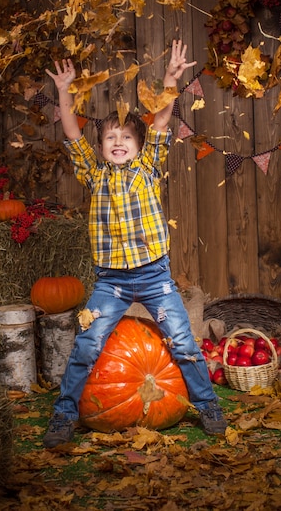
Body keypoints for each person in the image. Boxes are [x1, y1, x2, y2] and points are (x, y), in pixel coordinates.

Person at [43, 40, 227, 447]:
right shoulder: (94, 175)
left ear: (141, 147)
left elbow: (161, 120)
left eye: (127, 136)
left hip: (153, 276)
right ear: (102, 147)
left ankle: (208, 404)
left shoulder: (147, 168)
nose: (119, 141)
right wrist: (64, 91)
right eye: (111, 137)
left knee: (182, 341)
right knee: (87, 343)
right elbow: (72, 133)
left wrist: (171, 79)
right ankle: (64, 413)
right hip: (110, 281)